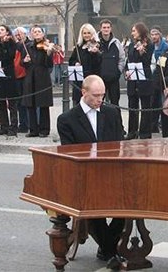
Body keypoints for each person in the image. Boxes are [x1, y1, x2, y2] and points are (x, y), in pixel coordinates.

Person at [56, 75, 124, 265]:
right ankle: (111, 252)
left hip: (110, 174)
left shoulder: (111, 112)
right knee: (94, 209)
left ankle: (107, 249)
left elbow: (119, 145)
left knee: (130, 204)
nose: (100, 100)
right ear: (84, 92)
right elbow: (71, 155)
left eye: (103, 95)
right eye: (96, 95)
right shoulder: (66, 119)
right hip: (84, 178)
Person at [22, 25, 54, 137]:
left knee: (43, 104)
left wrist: (49, 54)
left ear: (43, 34)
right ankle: (33, 129)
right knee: (31, 104)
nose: (37, 33)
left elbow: (49, 65)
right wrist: (25, 61)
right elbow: (23, 64)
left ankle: (44, 129)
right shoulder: (27, 46)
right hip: (30, 77)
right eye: (34, 32)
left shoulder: (47, 46)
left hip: (42, 77)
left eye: (39, 31)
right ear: (31, 34)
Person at [125, 22, 154, 139]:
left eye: (134, 31)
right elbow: (129, 60)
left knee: (146, 106)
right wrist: (127, 70)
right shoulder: (132, 45)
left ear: (141, 32)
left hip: (144, 78)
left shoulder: (149, 45)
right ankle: (132, 131)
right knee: (132, 105)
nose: (132, 33)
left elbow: (148, 61)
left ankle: (145, 132)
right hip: (132, 78)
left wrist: (142, 53)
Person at [0, 25, 18, 137]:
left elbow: (11, 56)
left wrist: (6, 43)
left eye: (2, 30)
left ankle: (13, 127)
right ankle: (3, 126)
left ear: (7, 32)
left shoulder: (11, 44)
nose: (0, 31)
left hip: (9, 75)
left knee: (12, 104)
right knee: (1, 104)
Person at [69, 23, 102, 106]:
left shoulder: (96, 45)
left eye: (88, 33)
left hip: (91, 79)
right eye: (84, 33)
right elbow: (71, 61)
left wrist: (95, 54)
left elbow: (99, 63)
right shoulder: (79, 47)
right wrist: (75, 63)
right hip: (79, 80)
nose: (86, 35)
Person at [98, 19, 125, 107]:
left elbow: (122, 58)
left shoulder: (117, 43)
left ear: (111, 29)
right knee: (99, 104)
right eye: (104, 27)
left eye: (108, 27)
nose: (106, 29)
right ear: (100, 28)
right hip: (100, 80)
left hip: (114, 78)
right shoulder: (96, 42)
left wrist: (118, 71)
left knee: (115, 104)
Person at [150, 26, 168, 134]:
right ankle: (154, 126)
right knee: (154, 103)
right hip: (153, 77)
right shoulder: (151, 46)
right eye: (152, 34)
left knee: (162, 102)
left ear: (160, 35)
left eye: (156, 34)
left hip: (161, 77)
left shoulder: (165, 47)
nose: (154, 36)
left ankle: (162, 124)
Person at [13, 27, 30, 133]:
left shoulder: (27, 45)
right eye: (17, 35)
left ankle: (27, 123)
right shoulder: (17, 45)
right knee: (19, 102)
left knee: (26, 102)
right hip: (17, 76)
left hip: (25, 75)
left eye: (20, 34)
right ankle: (22, 124)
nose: (19, 36)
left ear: (25, 34)